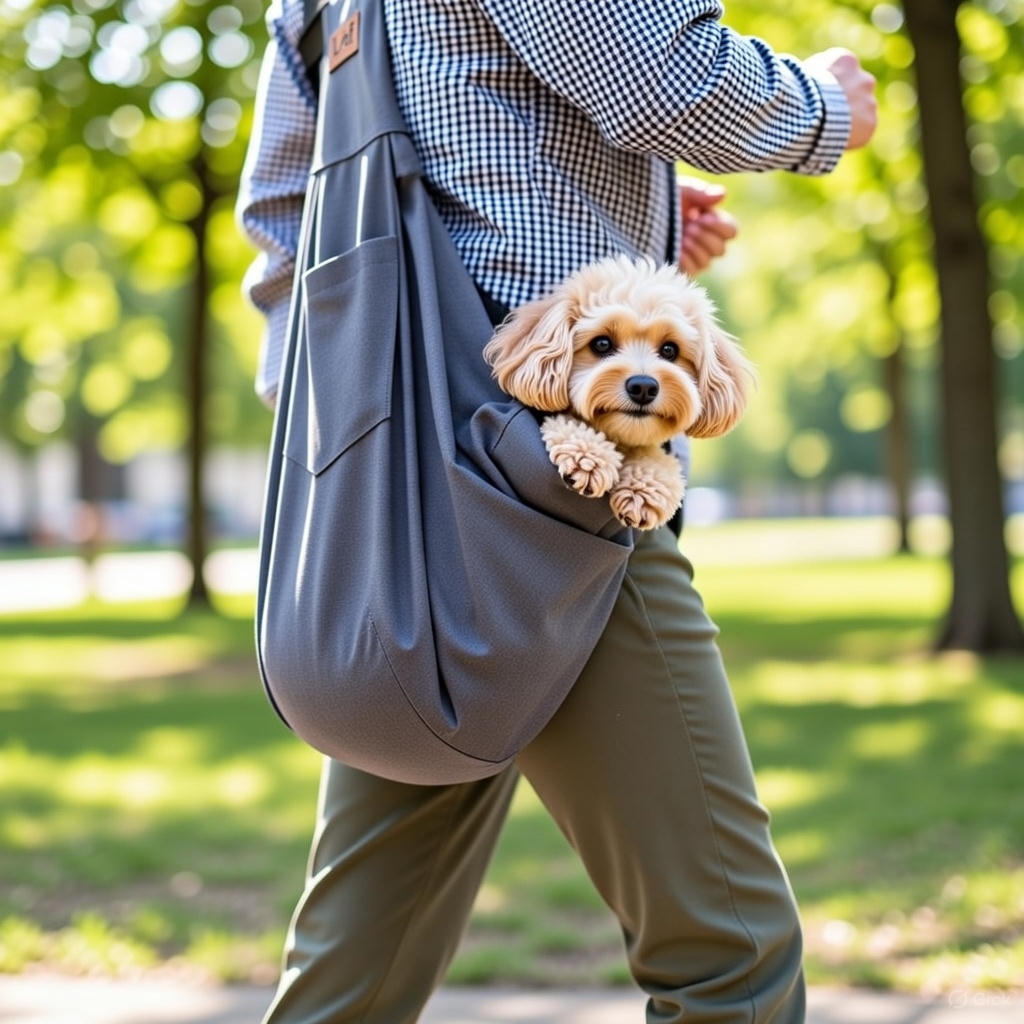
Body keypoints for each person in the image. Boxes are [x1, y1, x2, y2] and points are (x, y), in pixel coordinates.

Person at [237, 2, 877, 1021]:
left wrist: (363, 445)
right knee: (732, 965)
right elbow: (660, 74)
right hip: (553, 497)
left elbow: (285, 227)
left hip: (402, 523)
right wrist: (822, 108)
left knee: (346, 990)